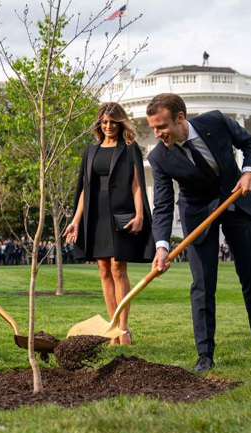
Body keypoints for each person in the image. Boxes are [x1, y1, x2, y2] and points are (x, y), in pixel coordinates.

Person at [146, 93, 251, 372]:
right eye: (154, 128)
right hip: (197, 216)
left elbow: (249, 143)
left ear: (180, 118)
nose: (157, 134)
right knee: (202, 286)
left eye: (162, 127)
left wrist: (249, 171)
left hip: (236, 202)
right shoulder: (159, 157)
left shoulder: (216, 121)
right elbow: (162, 204)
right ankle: (205, 355)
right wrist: (161, 245)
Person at [64, 102, 155, 346]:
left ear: (120, 122)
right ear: (99, 124)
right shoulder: (91, 150)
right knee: (103, 270)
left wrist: (140, 215)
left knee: (118, 269)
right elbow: (84, 189)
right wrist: (75, 221)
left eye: (112, 122)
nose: (108, 126)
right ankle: (112, 328)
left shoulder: (129, 148)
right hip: (95, 215)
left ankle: (123, 329)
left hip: (120, 213)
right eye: (104, 122)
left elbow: (136, 185)